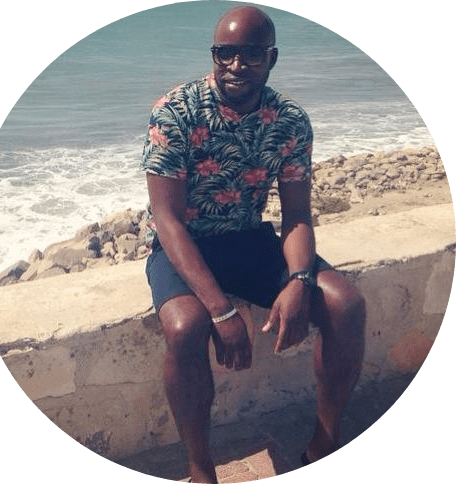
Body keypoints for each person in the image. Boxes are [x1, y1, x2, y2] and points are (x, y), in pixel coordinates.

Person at [141, 6, 365, 483]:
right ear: (213, 54)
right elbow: (167, 219)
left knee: (345, 304)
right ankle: (201, 469)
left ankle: (324, 444)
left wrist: (300, 281)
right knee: (185, 328)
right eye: (225, 53)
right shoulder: (175, 111)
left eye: (251, 55)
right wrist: (221, 312)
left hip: (249, 239)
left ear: (272, 58)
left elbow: (297, 215)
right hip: (184, 245)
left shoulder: (289, 120)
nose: (236, 65)